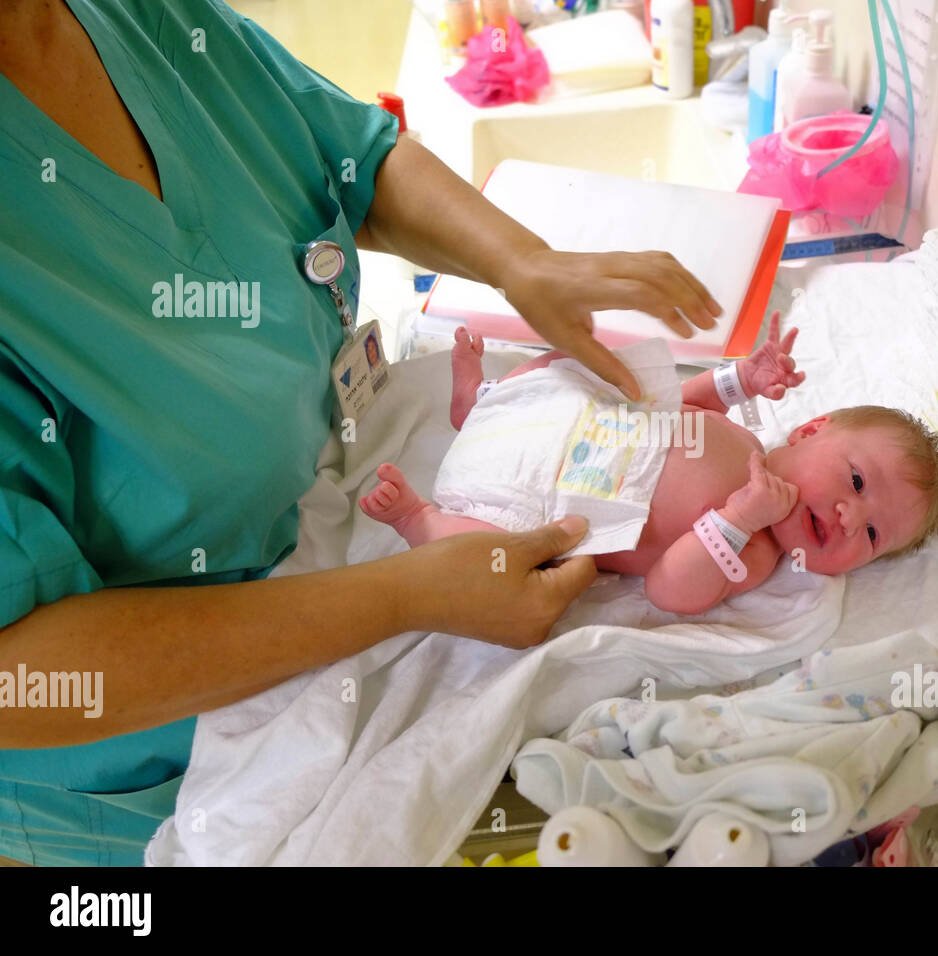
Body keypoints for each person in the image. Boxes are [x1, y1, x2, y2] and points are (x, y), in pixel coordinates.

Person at [0, 0, 720, 865]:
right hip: (169, 772)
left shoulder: (134, 20)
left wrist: (521, 262)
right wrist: (407, 595)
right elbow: (17, 674)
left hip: (342, 510)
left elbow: (355, 157)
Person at [362, 319, 938, 614]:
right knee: (569, 368)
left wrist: (737, 515)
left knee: (493, 561)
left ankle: (419, 520)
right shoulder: (742, 439)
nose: (850, 516)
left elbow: (670, 589)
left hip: (540, 501)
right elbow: (683, 401)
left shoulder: (752, 549)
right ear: (808, 430)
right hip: (567, 429)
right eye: (857, 482)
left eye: (874, 535)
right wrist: (741, 379)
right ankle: (480, 404)